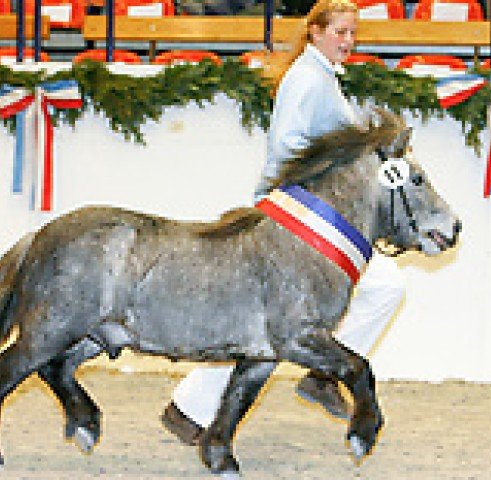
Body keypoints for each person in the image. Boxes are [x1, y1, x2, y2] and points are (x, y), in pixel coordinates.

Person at [161, 0, 405, 445]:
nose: (348, 42)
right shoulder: (308, 80)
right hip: (298, 218)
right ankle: (322, 373)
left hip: (308, 216)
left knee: (259, 325)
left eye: (353, 34)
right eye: (340, 32)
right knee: (374, 291)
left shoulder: (322, 78)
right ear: (315, 32)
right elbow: (286, 145)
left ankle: (190, 409)